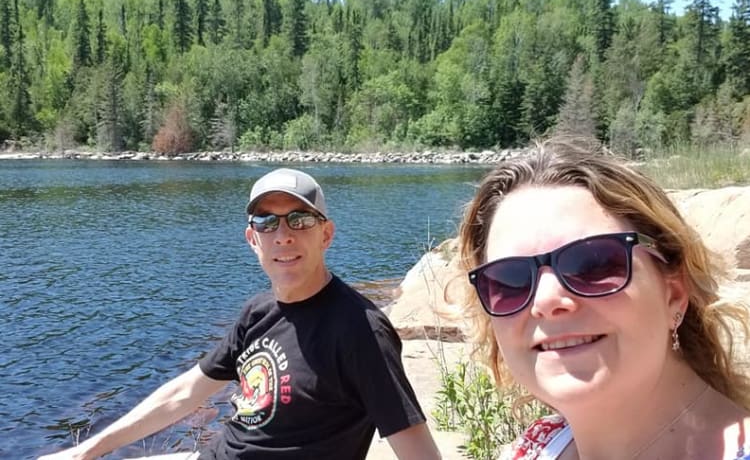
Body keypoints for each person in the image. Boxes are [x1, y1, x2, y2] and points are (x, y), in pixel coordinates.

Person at [40, 168, 441, 460]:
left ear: (326, 234)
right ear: (252, 239)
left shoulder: (361, 331)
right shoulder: (258, 312)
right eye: (267, 222)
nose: (283, 234)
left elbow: (418, 451)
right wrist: (86, 451)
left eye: (299, 219)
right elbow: (185, 393)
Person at [454, 137, 750, 459]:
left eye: (593, 264)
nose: (546, 300)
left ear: (674, 294)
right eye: (509, 280)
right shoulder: (539, 446)